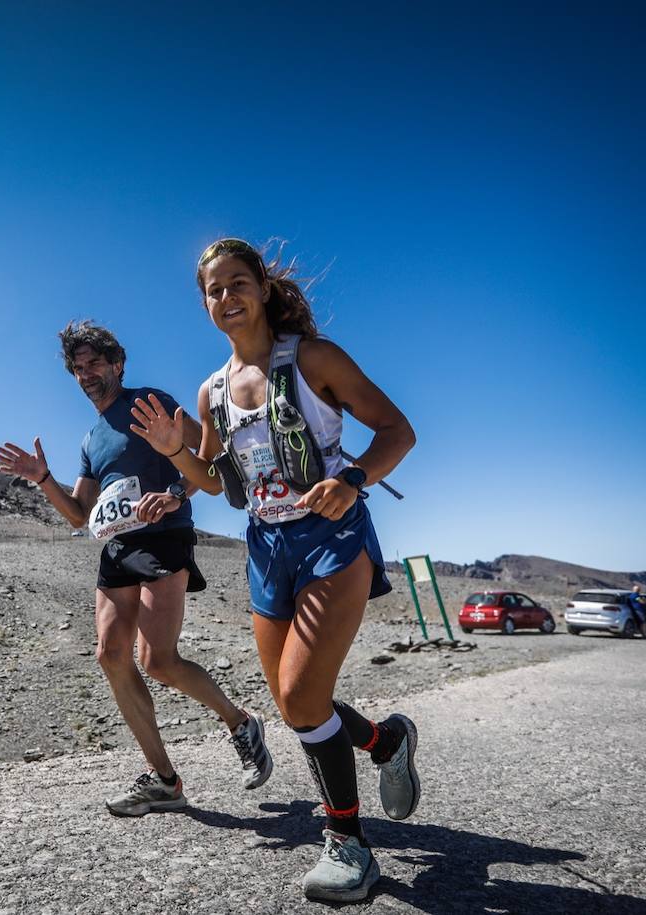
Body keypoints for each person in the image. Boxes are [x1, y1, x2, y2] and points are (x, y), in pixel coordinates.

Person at [129, 239, 420, 903]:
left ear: (261, 287)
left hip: (332, 539)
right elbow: (213, 480)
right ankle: (385, 739)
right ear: (203, 303)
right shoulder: (210, 392)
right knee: (298, 704)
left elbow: (396, 430)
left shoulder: (314, 359)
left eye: (238, 284)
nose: (226, 298)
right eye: (213, 290)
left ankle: (349, 844)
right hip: (266, 547)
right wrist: (176, 454)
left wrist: (352, 477)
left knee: (300, 697)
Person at [0, 320, 273, 816]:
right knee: (110, 655)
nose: (86, 375)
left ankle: (240, 722)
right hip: (117, 547)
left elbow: (209, 463)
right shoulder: (91, 439)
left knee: (159, 662)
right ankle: (165, 781)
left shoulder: (150, 401)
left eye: (95, 364)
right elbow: (80, 515)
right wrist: (43, 479)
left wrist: (173, 495)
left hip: (165, 538)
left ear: (118, 364)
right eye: (77, 369)